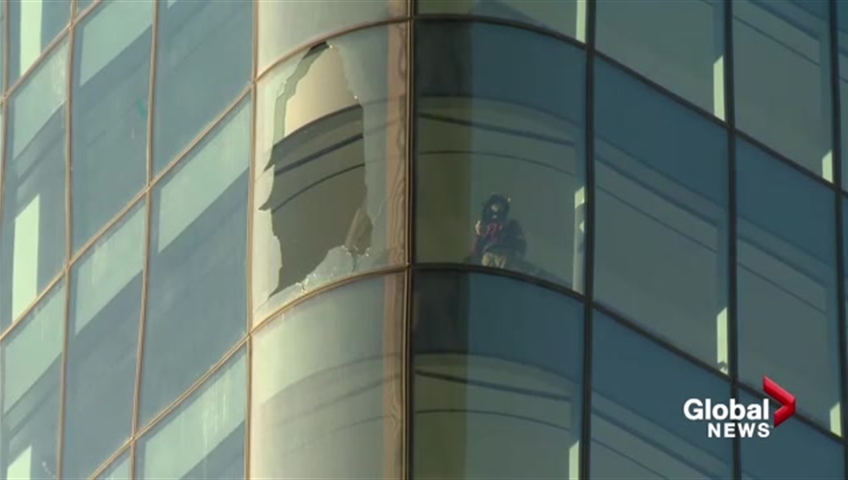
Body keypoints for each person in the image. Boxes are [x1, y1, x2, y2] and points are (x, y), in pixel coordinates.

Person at [471, 194, 526, 269]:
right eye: (495, 203)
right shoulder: (486, 226)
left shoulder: (511, 225)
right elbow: (476, 252)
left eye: (500, 204)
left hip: (505, 256)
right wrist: (478, 234)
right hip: (488, 256)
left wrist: (514, 257)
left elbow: (521, 245)